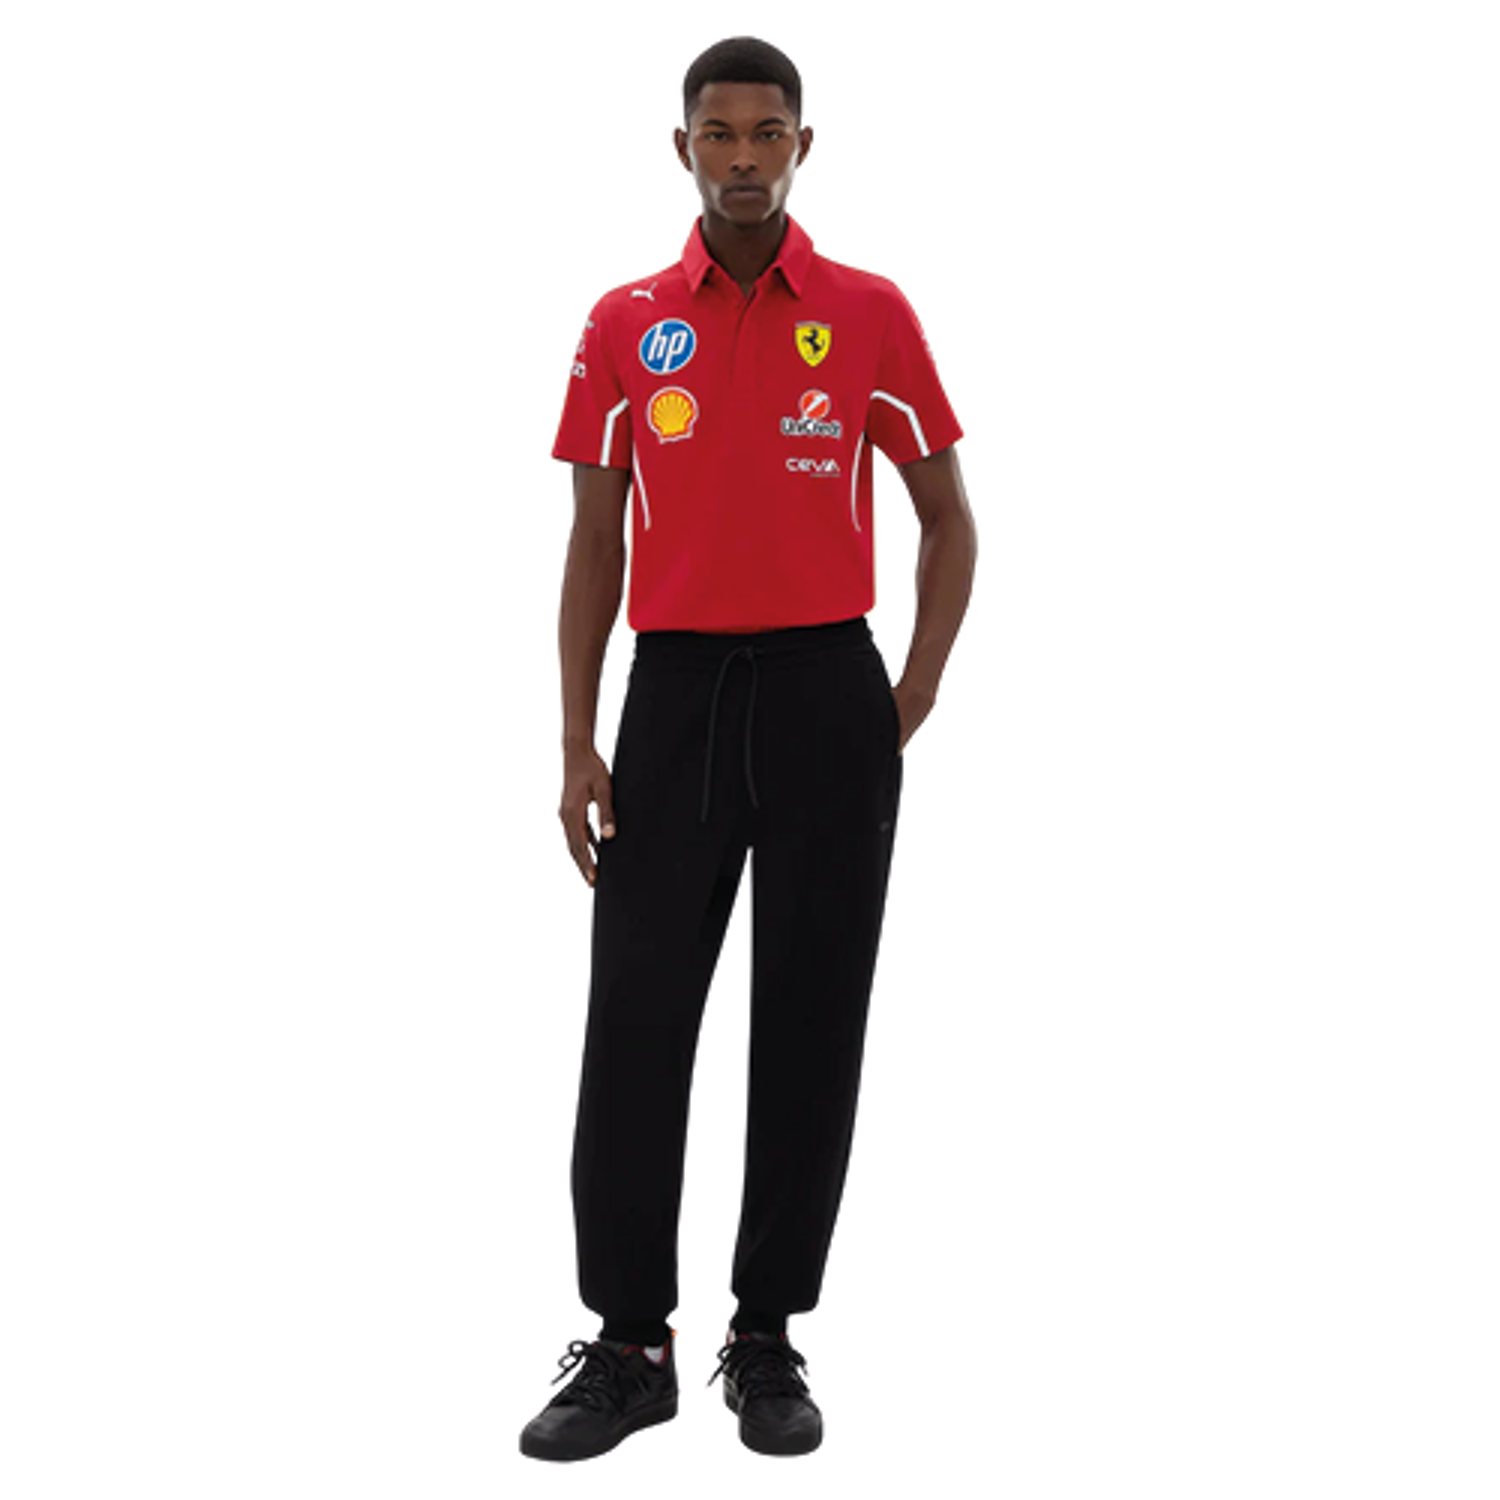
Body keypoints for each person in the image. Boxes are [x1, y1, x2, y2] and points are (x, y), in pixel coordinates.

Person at [520, 36, 977, 1462]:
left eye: (765, 133)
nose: (741, 158)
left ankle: (766, 1335)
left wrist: (905, 693)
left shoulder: (869, 313)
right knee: (637, 1020)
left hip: (830, 689)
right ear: (683, 150)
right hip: (673, 699)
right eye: (716, 134)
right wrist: (578, 737)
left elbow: (948, 519)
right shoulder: (624, 323)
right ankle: (629, 1345)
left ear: (801, 147)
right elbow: (594, 544)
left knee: (811, 1020)